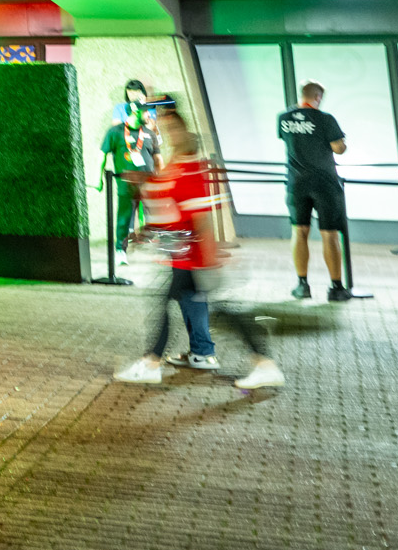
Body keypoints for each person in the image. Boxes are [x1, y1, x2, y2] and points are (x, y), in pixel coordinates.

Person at [116, 102, 283, 390]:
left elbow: (201, 220)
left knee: (212, 310)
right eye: (165, 128)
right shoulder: (177, 167)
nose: (167, 133)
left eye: (172, 128)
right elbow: (173, 215)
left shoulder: (190, 169)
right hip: (185, 256)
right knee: (202, 308)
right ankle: (242, 360)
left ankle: (154, 361)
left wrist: (208, 259)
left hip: (194, 258)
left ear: (184, 132)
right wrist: (146, 232)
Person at [279, 81, 351, 301]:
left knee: (299, 232)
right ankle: (336, 288)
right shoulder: (325, 119)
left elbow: (289, 139)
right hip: (325, 184)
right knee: (329, 235)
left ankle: (302, 286)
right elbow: (339, 148)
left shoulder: (283, 118)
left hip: (296, 183)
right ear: (318, 97)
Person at [99, 94, 157, 252]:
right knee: (124, 218)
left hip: (148, 183)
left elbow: (157, 157)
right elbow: (102, 154)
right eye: (145, 111)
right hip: (126, 183)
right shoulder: (115, 132)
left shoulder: (149, 133)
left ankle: (152, 244)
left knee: (154, 214)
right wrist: (99, 179)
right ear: (135, 112)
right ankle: (120, 250)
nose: (149, 115)